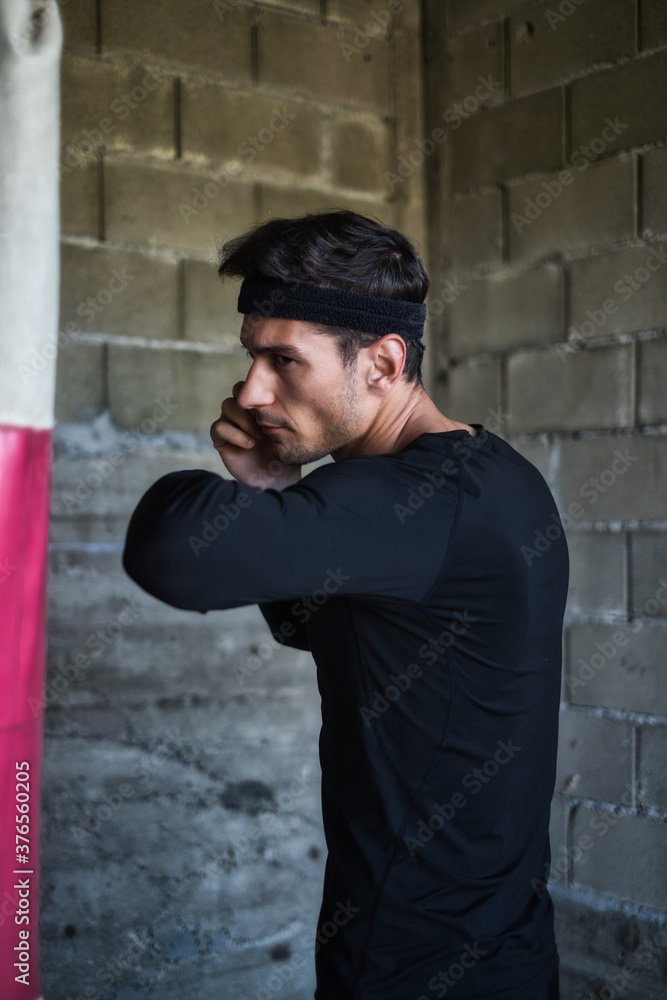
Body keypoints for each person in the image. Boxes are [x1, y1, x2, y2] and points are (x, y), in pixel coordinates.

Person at [122, 209, 568, 1000]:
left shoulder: (413, 500)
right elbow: (328, 628)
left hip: (416, 966)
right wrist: (268, 490)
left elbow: (171, 553)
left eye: (284, 360)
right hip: (497, 949)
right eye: (252, 355)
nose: (251, 390)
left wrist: (241, 503)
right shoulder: (491, 474)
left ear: (383, 362)